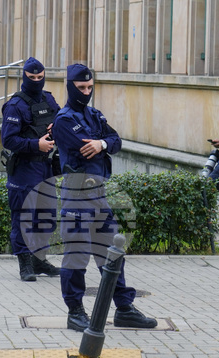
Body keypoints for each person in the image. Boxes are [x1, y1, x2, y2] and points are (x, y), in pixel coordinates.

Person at [53, 63, 157, 332]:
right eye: (81, 88)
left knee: (112, 254)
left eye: (90, 87)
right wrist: (101, 143)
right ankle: (75, 311)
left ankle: (124, 309)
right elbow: (86, 145)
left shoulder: (93, 114)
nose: (86, 92)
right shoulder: (64, 120)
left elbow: (115, 140)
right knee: (76, 256)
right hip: (77, 195)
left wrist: (102, 144)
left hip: (99, 194)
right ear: (70, 87)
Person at [0, 57, 62, 281]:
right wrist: (35, 144)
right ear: (24, 77)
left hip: (45, 167)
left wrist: (58, 125)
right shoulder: (16, 105)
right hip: (24, 169)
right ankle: (25, 263)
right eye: (32, 77)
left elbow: (60, 118)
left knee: (47, 217)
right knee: (23, 217)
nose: (37, 81)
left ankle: (39, 260)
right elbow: (8, 140)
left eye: (40, 77)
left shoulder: (48, 99)